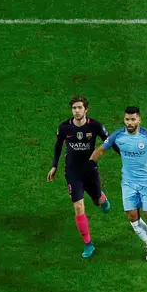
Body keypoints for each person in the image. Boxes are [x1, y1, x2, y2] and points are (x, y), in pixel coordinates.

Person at [90, 107, 147, 261]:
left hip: (146, 182)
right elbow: (100, 150)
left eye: (133, 119)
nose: (129, 123)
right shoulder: (117, 136)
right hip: (128, 183)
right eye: (127, 119)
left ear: (139, 120)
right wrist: (91, 165)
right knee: (132, 217)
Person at [48, 96, 111, 258]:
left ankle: (101, 198)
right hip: (72, 172)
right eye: (74, 108)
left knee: (97, 200)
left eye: (79, 108)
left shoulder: (95, 126)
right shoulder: (64, 128)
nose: (76, 111)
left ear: (86, 110)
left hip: (90, 170)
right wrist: (54, 165)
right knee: (78, 206)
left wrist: (126, 157)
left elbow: (109, 142)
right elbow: (58, 146)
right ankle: (88, 243)